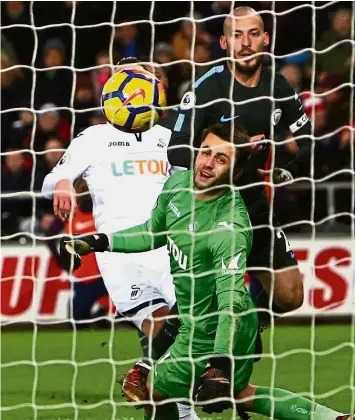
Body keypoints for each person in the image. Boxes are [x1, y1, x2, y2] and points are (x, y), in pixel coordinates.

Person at [60, 123, 355, 420]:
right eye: (206, 152)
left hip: (219, 324)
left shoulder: (229, 228)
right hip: (205, 320)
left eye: (221, 159)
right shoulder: (177, 184)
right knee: (242, 393)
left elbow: (230, 300)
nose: (207, 163)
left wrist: (219, 362)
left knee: (153, 389)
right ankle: (336, 418)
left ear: (235, 173)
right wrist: (100, 241)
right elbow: (152, 232)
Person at [41, 61, 199, 420]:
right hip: (119, 253)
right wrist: (65, 183)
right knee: (161, 326)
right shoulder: (93, 137)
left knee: (190, 328)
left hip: (169, 249)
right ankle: (178, 406)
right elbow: (54, 176)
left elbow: (193, 178)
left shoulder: (168, 136)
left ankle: (167, 398)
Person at [163, 6, 308, 318]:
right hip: (213, 211)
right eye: (237, 35)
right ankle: (154, 362)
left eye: (253, 34)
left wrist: (289, 171)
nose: (246, 42)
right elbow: (176, 150)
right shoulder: (206, 88)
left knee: (292, 296)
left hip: (255, 206)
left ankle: (249, 323)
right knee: (210, 304)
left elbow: (308, 137)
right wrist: (233, 150)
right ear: (224, 43)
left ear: (265, 39)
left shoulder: (278, 85)